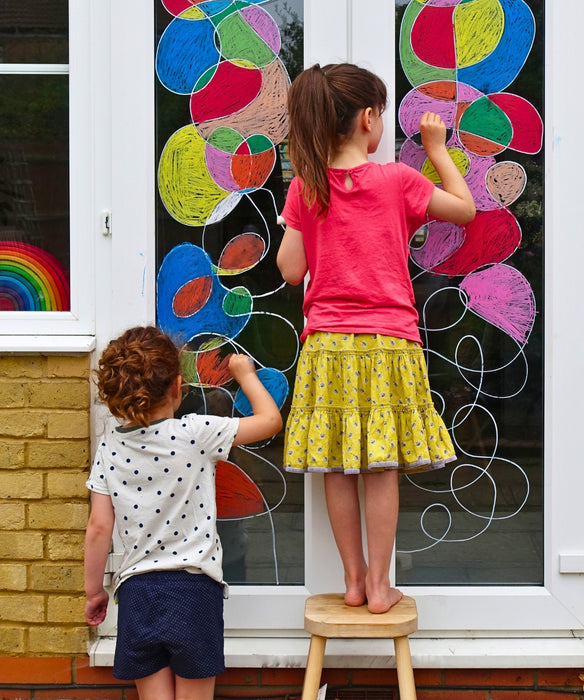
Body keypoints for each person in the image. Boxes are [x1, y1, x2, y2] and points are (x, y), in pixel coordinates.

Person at [277, 63, 476, 614]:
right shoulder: (396, 180)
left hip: (329, 346)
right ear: (368, 118)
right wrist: (436, 149)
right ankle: (383, 587)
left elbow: (291, 269)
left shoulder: (306, 187)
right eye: (382, 113)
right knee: (381, 465)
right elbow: (464, 209)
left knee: (337, 462)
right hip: (390, 342)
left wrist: (308, 221)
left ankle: (353, 580)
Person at [83, 326, 282, 700]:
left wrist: (94, 591)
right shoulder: (195, 433)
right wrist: (245, 375)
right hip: (194, 592)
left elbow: (98, 528)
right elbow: (270, 421)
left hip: (138, 593)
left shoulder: (110, 445)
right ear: (177, 386)